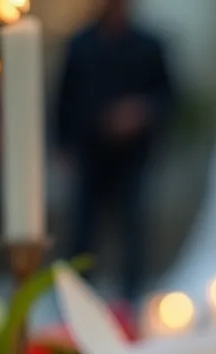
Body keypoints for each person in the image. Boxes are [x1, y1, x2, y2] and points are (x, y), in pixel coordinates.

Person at [55, 0, 175, 303]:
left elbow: (168, 96)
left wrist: (140, 112)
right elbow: (64, 99)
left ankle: (131, 297)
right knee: (83, 231)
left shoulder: (148, 46)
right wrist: (64, 144)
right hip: (91, 154)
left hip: (131, 157)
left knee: (133, 228)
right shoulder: (81, 45)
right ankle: (77, 298)